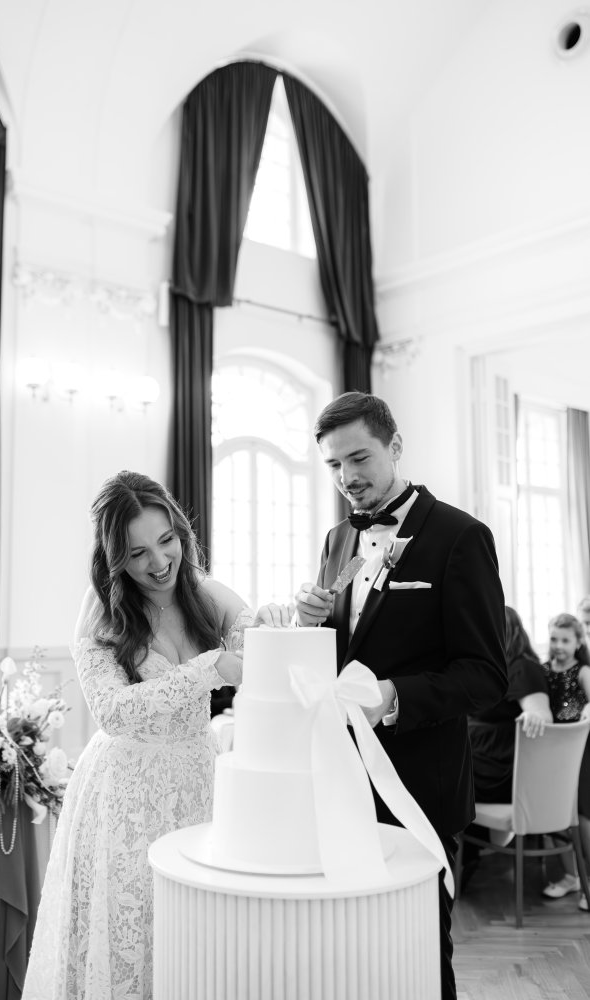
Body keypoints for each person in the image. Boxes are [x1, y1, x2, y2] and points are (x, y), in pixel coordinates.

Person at [22, 471, 289, 1000]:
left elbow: (260, 649)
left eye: (167, 540)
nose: (159, 562)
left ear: (181, 532)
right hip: (124, 792)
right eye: (137, 552)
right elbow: (113, 712)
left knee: (192, 933)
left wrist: (275, 619)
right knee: (129, 927)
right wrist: (209, 668)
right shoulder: (101, 610)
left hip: (197, 783)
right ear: (114, 557)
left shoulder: (206, 594)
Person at [294, 392, 507, 1000]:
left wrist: (393, 696)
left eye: (359, 458)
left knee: (419, 951)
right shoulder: (338, 537)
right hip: (341, 782)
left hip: (420, 785)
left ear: (396, 446)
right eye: (334, 465)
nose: (347, 477)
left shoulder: (461, 537)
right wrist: (310, 623)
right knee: (353, 947)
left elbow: (486, 675)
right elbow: (341, 654)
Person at [469, 605, 551, 804]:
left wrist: (534, 716)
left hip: (501, 771)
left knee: (437, 772)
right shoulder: (495, 668)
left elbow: (542, 715)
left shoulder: (523, 668)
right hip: (484, 759)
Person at [538, 612, 590, 908]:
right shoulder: (543, 670)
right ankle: (571, 876)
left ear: (578, 642)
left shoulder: (582, 671)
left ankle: (588, 881)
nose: (558, 645)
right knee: (556, 813)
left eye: (565, 640)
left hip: (580, 751)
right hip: (552, 752)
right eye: (554, 639)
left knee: (582, 815)